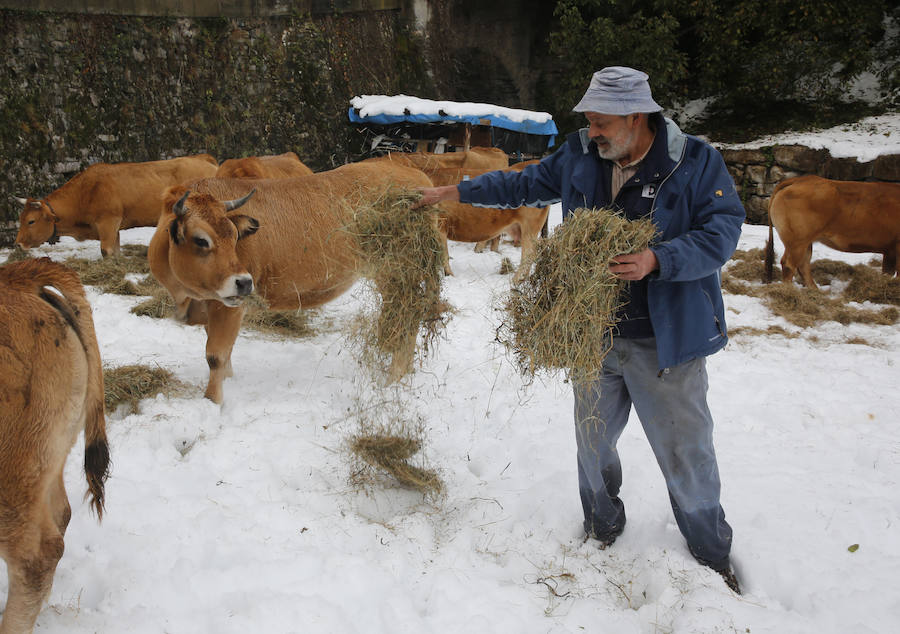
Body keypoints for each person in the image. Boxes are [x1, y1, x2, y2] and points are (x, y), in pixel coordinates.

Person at [418, 66, 745, 593]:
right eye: (589, 121)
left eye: (600, 122)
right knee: (592, 441)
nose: (591, 131)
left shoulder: (695, 161)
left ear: (636, 117)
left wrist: (658, 259)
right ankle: (601, 525)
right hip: (593, 330)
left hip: (665, 336)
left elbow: (724, 230)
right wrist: (457, 192)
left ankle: (709, 550)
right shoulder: (580, 153)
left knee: (686, 448)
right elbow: (524, 182)